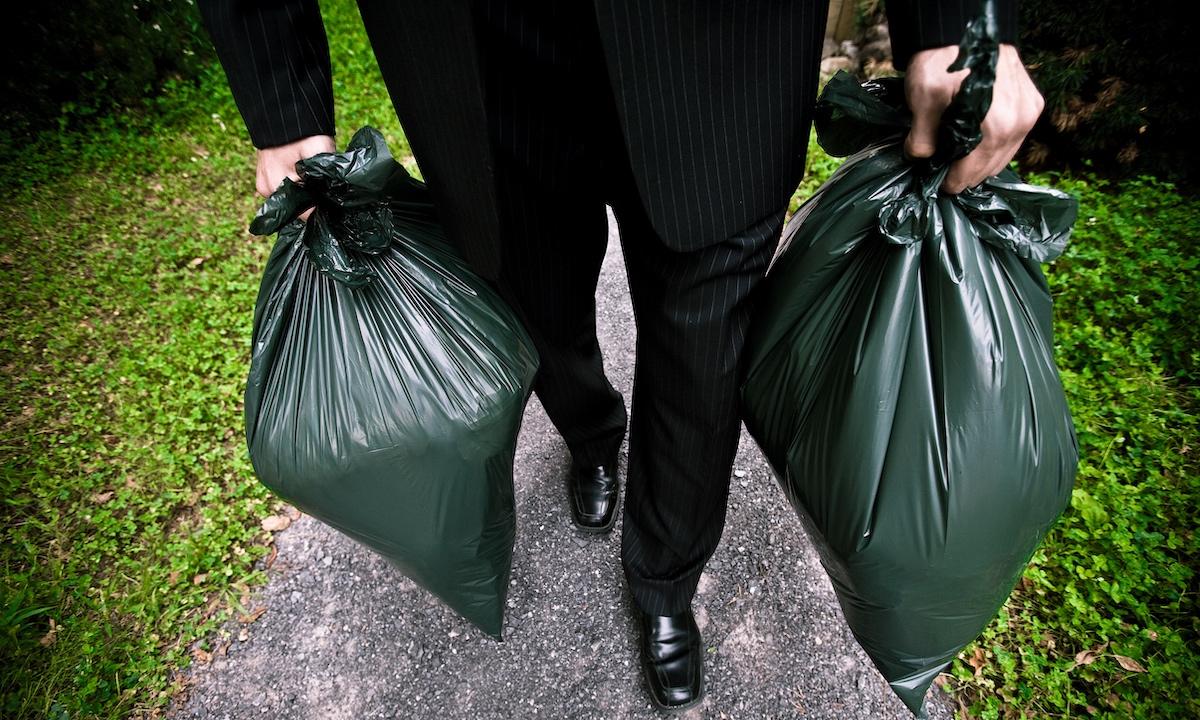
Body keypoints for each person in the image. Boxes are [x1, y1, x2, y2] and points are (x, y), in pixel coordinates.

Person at [199, 0, 1042, 711]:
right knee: (541, 307)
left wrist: (954, 14)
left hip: (720, 48)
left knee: (702, 350)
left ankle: (666, 579)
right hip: (476, 44)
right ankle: (593, 431)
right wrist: (283, 103)